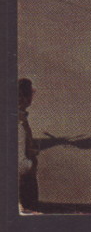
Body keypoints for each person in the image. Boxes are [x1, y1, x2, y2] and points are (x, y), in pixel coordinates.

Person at [19, 78, 39, 211]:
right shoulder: (18, 124)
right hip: (23, 183)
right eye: (31, 92)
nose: (33, 93)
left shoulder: (19, 117)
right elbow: (20, 164)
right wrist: (31, 165)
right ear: (23, 98)